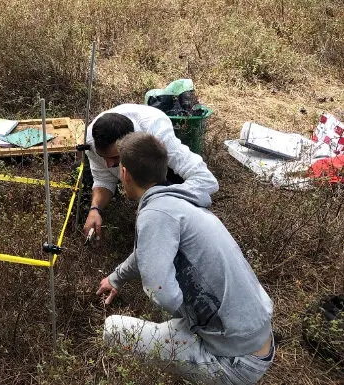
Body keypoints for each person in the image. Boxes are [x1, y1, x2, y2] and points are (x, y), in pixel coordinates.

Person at [96, 132, 274, 385]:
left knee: (113, 329)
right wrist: (116, 278)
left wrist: (176, 303)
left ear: (124, 173)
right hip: (257, 338)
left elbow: (164, 294)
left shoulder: (155, 214)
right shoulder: (177, 202)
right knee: (172, 323)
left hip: (235, 361)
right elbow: (148, 251)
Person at [83, 103, 219, 241]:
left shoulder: (158, 133)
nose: (109, 165)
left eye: (115, 158)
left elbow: (206, 180)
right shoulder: (90, 141)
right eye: (103, 158)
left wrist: (160, 202)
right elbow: (103, 180)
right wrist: (95, 209)